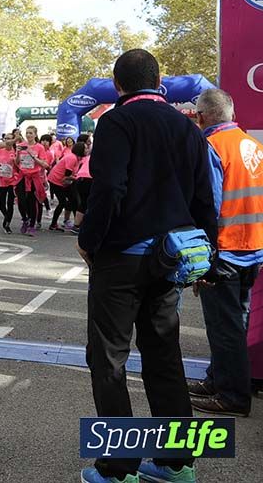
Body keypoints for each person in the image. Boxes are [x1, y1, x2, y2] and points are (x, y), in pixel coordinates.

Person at [77, 49, 216, 483]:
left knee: (109, 360)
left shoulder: (116, 122)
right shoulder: (188, 127)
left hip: (121, 260)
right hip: (172, 261)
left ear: (118, 86)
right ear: (159, 82)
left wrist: (88, 242)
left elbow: (109, 189)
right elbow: (205, 198)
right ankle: (176, 464)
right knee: (164, 358)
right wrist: (205, 257)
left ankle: (119, 469)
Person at [190, 88, 263, 417]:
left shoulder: (212, 146)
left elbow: (210, 206)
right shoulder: (253, 146)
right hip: (252, 249)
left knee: (224, 327)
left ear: (202, 116)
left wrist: (203, 261)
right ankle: (217, 379)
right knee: (237, 322)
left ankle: (232, 396)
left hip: (225, 252)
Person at [14, 125, 50, 235]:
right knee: (21, 200)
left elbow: (45, 164)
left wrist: (33, 156)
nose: (28, 135)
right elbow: (17, 162)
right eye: (27, 132)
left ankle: (32, 225)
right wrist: (18, 153)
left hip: (34, 176)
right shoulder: (21, 145)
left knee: (32, 201)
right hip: (22, 175)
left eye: (31, 133)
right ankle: (25, 219)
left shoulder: (39, 147)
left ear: (35, 134)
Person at [47, 143, 83, 232]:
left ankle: (77, 225)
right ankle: (53, 224)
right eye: (85, 148)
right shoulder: (72, 158)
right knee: (63, 202)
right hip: (56, 181)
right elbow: (67, 174)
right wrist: (77, 178)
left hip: (64, 182)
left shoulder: (78, 158)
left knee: (74, 200)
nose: (87, 150)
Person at [0, 133, 20, 234]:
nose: (7, 140)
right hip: (1, 180)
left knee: (10, 203)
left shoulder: (15, 151)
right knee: (1, 205)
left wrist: (17, 156)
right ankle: (7, 216)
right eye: (5, 139)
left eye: (9, 138)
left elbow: (18, 164)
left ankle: (7, 224)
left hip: (12, 181)